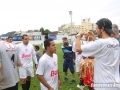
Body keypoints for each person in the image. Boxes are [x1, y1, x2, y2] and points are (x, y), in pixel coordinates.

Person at [76, 18, 120, 90]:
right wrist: (94, 38)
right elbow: (103, 49)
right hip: (115, 83)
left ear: (102, 28)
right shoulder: (115, 42)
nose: (96, 30)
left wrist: (78, 35)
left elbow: (78, 48)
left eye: (96, 28)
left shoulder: (100, 43)